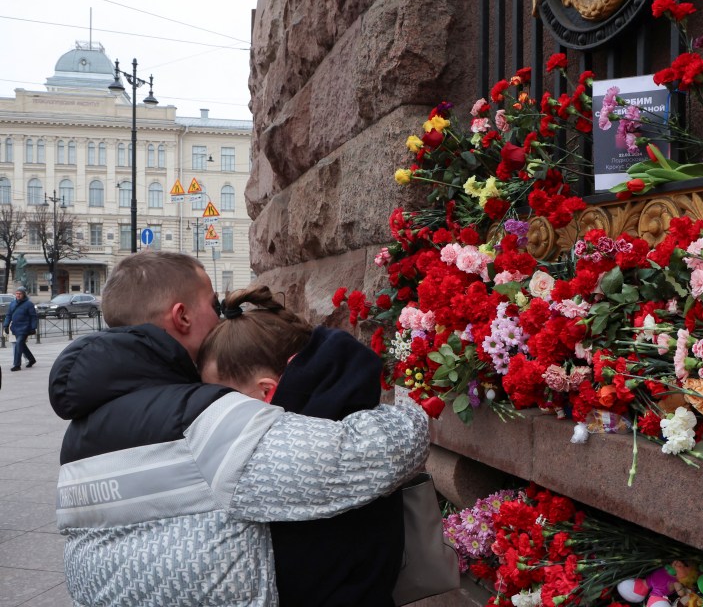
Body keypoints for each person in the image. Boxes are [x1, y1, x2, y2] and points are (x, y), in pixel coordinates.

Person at [48, 251, 429, 607]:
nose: (222, 316)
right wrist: (418, 385)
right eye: (212, 305)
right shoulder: (204, 418)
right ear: (181, 317)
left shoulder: (80, 435)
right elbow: (374, 453)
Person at [197, 286, 405, 607]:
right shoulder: (349, 416)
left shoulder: (288, 457)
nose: (219, 414)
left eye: (224, 401)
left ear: (267, 392)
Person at [4, 286, 37, 371]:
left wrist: (33, 327)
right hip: (15, 328)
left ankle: (17, 365)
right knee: (21, 345)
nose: (18, 295)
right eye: (17, 293)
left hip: (25, 328)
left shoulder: (29, 304)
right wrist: (6, 325)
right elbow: (8, 315)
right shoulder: (12, 303)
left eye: (20, 293)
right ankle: (31, 359)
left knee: (18, 343)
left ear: (24, 294)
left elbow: (33, 317)